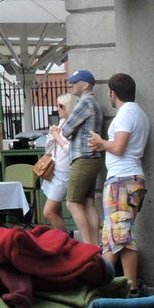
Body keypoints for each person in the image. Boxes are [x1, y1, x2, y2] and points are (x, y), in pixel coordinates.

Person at [89, 72, 150, 294]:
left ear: (112, 93)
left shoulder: (125, 114)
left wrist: (100, 142)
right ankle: (107, 284)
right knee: (112, 235)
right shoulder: (139, 113)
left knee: (122, 236)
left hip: (122, 180)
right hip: (129, 178)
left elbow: (119, 147)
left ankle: (131, 288)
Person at [59, 69, 106, 249]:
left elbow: (66, 130)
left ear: (85, 85)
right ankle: (96, 245)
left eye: (74, 82)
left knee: (72, 203)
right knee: (88, 203)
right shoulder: (93, 102)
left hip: (83, 158)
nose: (71, 85)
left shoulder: (84, 103)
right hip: (93, 158)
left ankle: (88, 246)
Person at [40, 93, 76, 231]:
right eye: (57, 105)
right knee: (55, 211)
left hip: (63, 172)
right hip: (55, 169)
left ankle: (65, 239)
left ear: (68, 107)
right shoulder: (61, 123)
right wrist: (52, 135)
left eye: (61, 106)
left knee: (48, 212)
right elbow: (50, 147)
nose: (58, 108)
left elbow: (69, 149)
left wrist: (56, 136)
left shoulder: (72, 125)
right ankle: (62, 239)